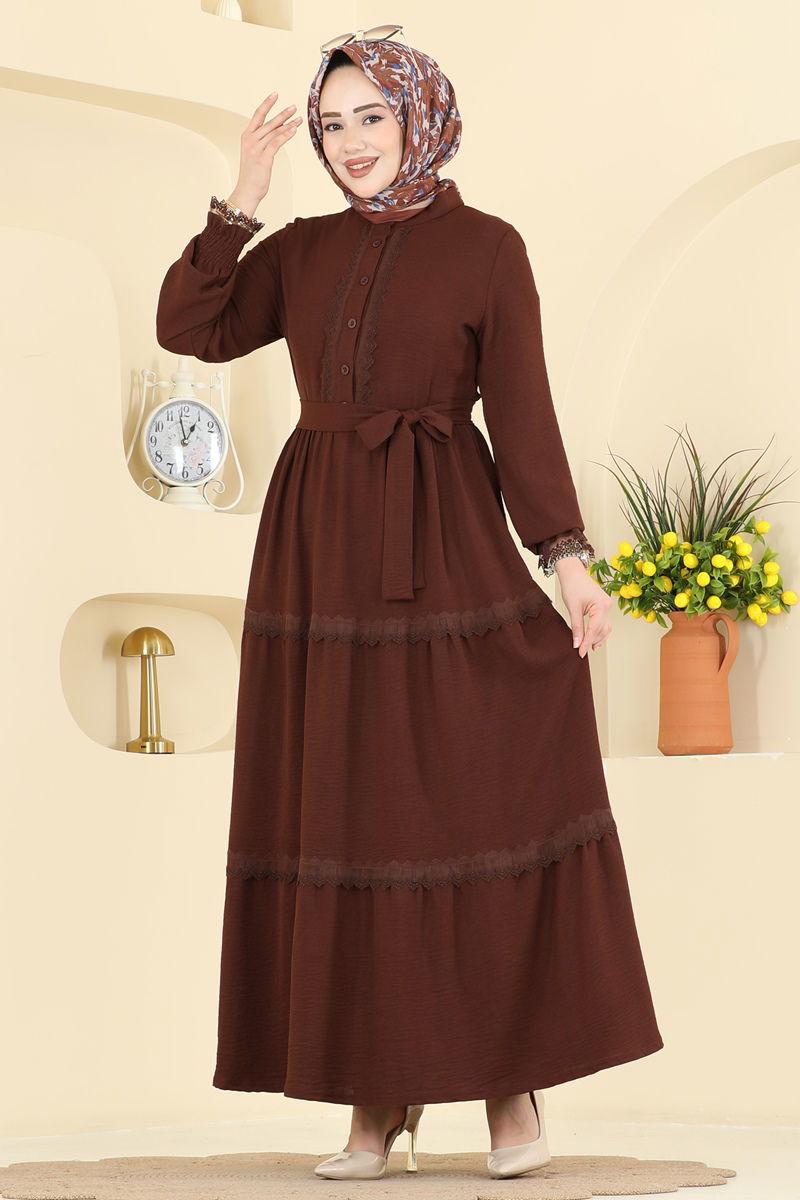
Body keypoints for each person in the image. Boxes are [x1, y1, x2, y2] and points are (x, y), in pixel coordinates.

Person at [156, 30, 663, 1183]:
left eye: (371, 119)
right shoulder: (298, 249)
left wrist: (566, 559)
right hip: (318, 548)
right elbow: (192, 328)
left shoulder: (487, 248)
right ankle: (375, 1102)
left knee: (462, 805)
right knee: (345, 811)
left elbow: (520, 408)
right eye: (330, 126)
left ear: (419, 118)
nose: (349, 144)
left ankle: (507, 1083)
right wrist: (241, 196)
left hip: (445, 535)